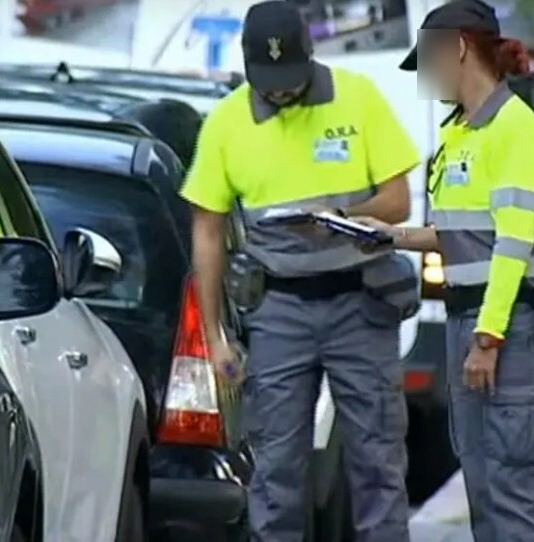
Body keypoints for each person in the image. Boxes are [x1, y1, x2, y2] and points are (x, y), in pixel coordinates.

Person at [180, 1, 421, 540]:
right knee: (276, 468)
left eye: (291, 79)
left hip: (361, 304)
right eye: (270, 83)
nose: (283, 92)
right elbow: (208, 231)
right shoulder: (226, 123)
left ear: (311, 55)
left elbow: (398, 201)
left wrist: (343, 217)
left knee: (378, 461)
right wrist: (215, 337)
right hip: (278, 311)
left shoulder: (358, 97)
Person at [354, 1, 534, 540]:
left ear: (458, 49)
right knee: (482, 486)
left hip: (506, 326)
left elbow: (513, 243)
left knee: (512, 484)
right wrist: (390, 236)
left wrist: (488, 338)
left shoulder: (513, 125)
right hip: (466, 320)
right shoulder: (458, 132)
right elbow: (460, 235)